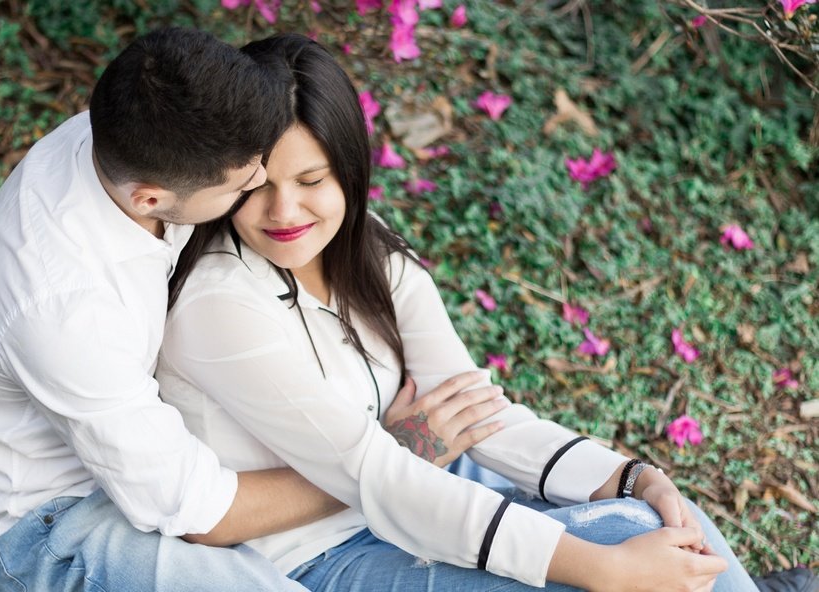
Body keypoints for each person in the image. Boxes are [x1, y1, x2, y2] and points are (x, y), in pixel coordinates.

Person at [157, 33, 812, 592]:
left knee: (659, 513)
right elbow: (382, 473)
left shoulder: (361, 245)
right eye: (259, 185)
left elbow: (475, 411)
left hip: (406, 499)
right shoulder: (221, 303)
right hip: (319, 557)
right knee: (623, 541)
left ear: (351, 170)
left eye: (312, 181)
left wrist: (631, 474)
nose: (285, 214)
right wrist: (601, 568)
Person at [0, 27, 503, 592]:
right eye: (246, 183)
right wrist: (389, 458)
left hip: (160, 449)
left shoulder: (141, 126)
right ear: (153, 200)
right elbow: (199, 509)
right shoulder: (65, 310)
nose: (265, 183)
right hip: (60, 516)